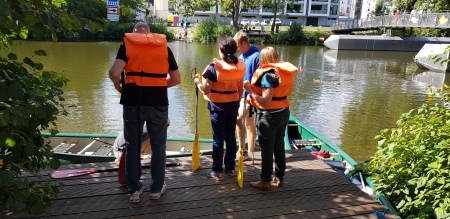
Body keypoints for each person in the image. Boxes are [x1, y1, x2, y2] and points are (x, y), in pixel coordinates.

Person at [108, 22, 181, 203]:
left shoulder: (127, 45)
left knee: (133, 145)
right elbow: (177, 79)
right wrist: (156, 84)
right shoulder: (163, 47)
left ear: (134, 33)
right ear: (149, 33)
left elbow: (114, 72)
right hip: (158, 102)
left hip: (133, 102)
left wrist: (118, 85)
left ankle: (134, 190)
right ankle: (156, 189)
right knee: (159, 146)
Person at [243, 47, 299, 190]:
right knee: (279, 145)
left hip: (269, 116)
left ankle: (265, 181)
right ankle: (279, 177)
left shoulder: (268, 75)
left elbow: (266, 101)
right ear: (275, 56)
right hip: (283, 112)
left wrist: (249, 91)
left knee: (267, 149)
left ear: (263, 59)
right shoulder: (283, 71)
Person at [193, 36, 246, 181]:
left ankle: (217, 171)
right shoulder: (240, 65)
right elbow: (240, 88)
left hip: (217, 106)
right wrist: (236, 101)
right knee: (230, 137)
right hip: (233, 104)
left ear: (221, 50)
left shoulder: (214, 67)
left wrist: (197, 81)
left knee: (218, 139)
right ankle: (230, 168)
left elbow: (206, 90)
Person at [233, 31, 259, 161]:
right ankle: (251, 152)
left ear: (244, 43)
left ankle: (242, 152)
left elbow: (259, 78)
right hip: (241, 95)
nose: (235, 49)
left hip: (249, 96)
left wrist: (252, 95)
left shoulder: (256, 56)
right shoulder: (242, 56)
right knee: (249, 124)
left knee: (239, 120)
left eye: (237, 46)